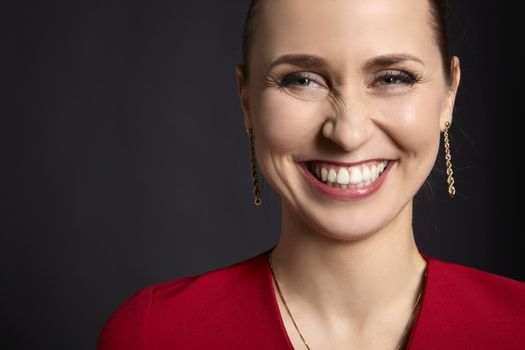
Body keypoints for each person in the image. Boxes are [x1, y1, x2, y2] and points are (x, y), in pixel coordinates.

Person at [96, 0, 525, 349]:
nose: (348, 132)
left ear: (449, 93)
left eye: (392, 78)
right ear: (246, 101)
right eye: (302, 79)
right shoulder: (155, 335)